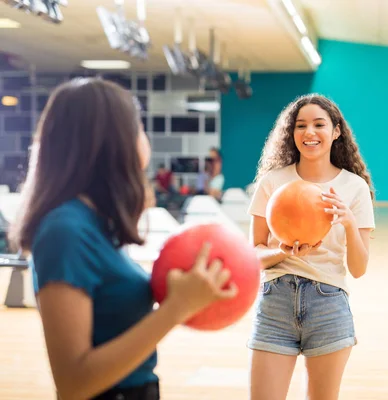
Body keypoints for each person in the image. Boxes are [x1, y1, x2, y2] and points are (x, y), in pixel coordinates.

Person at [8, 78, 237, 400]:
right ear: (113, 140)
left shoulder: (93, 221)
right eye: (138, 127)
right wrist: (175, 309)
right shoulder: (65, 230)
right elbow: (74, 383)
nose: (145, 138)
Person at [247, 94, 375, 400]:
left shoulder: (354, 187)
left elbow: (358, 269)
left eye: (319, 124)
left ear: (336, 131)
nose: (309, 132)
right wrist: (283, 252)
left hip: (328, 302)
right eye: (301, 125)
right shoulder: (272, 182)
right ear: (291, 134)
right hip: (275, 301)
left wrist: (346, 222)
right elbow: (253, 255)